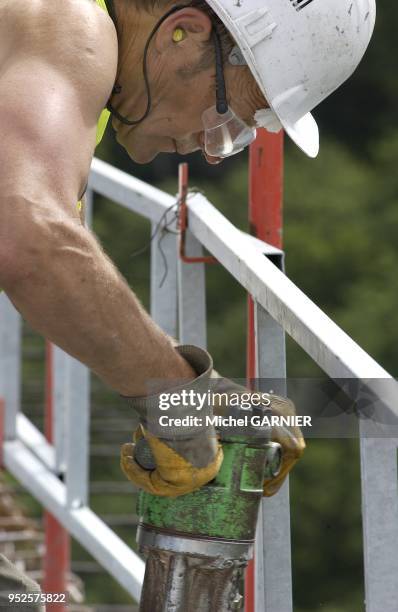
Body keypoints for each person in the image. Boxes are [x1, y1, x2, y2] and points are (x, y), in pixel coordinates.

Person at [0, 0, 375, 606]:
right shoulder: (71, 29)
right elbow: (27, 236)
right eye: (226, 117)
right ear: (184, 31)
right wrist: (178, 392)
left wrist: (174, 379)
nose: (207, 147)